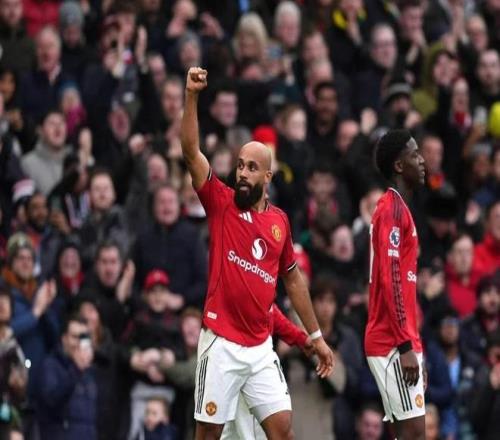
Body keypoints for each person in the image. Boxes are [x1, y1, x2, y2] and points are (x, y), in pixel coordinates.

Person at [180, 67, 334, 440]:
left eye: (252, 168)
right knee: (208, 435)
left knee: (282, 432)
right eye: (240, 166)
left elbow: (292, 279)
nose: (243, 173)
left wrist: (313, 335)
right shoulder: (220, 203)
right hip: (221, 344)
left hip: (260, 348)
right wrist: (192, 97)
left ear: (267, 177)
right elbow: (190, 152)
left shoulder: (279, 222)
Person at [365, 129, 426, 439]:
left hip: (400, 339)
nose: (422, 160)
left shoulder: (400, 209)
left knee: (408, 433)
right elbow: (391, 280)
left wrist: (414, 344)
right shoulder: (391, 209)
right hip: (390, 341)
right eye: (415, 155)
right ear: (400, 165)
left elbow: (404, 285)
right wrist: (405, 346)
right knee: (414, 434)